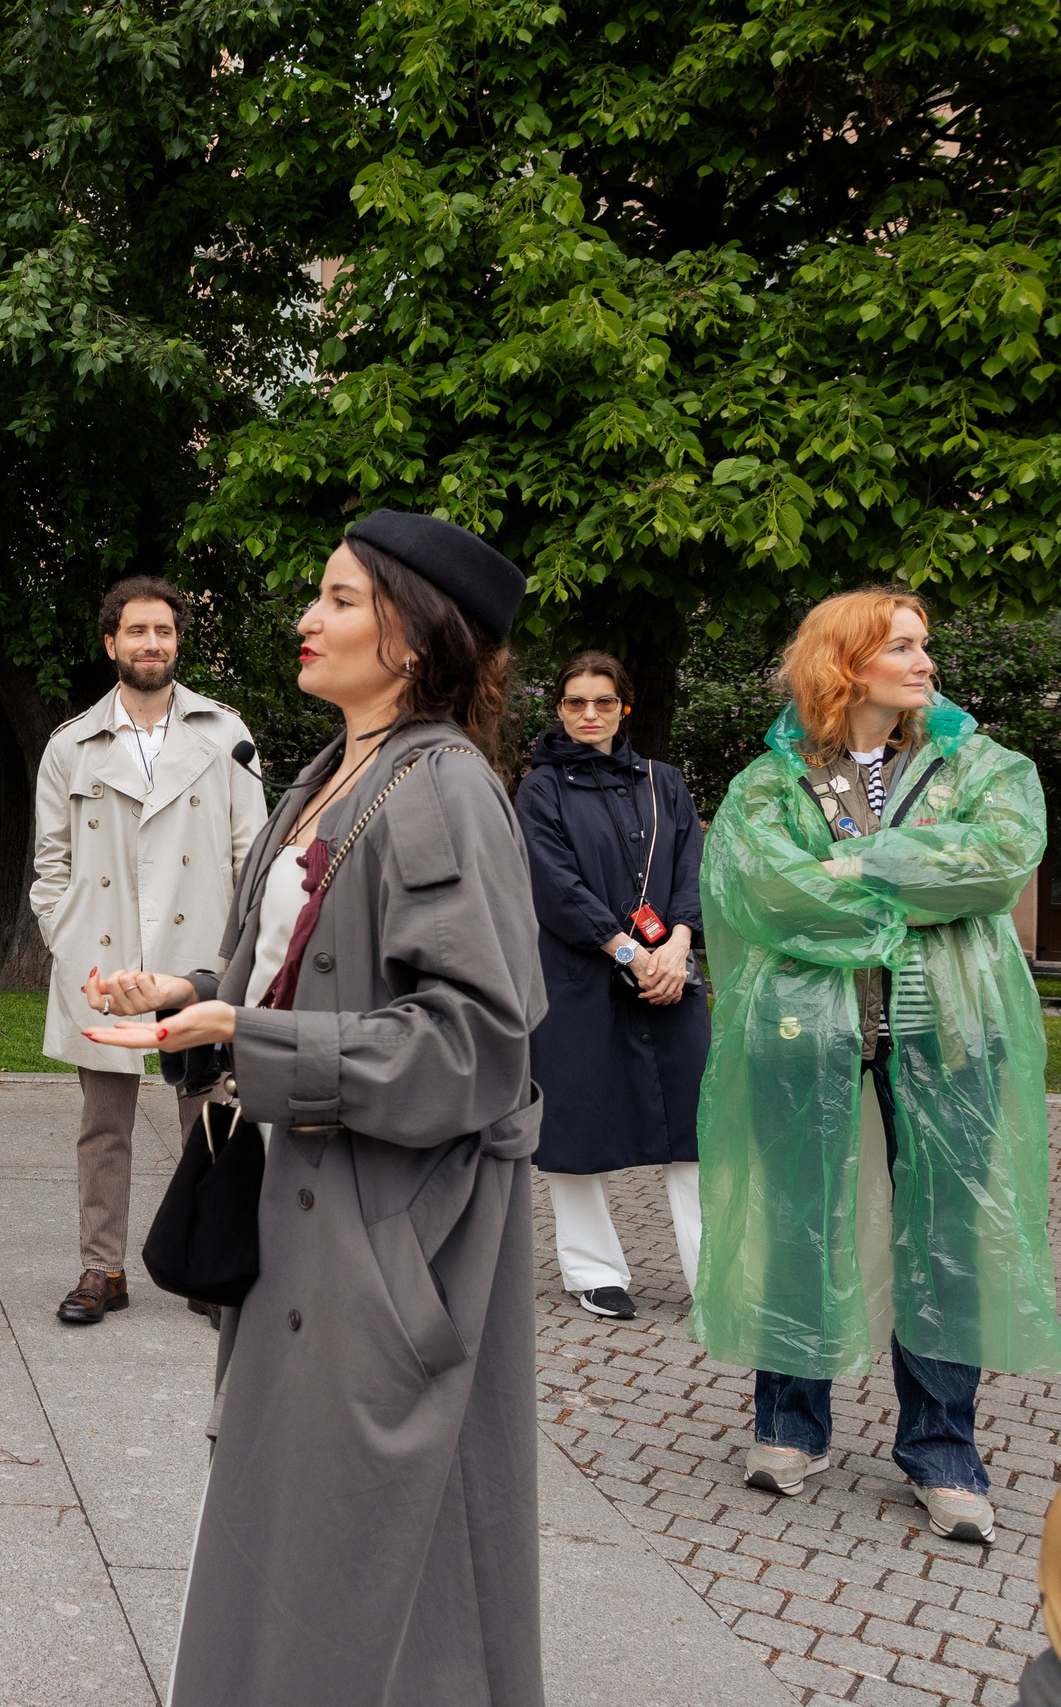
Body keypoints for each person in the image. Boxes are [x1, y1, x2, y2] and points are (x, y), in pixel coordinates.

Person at [83, 511, 546, 1706]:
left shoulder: (441, 789)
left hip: (388, 1233)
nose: (308, 619)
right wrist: (191, 998)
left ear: (412, 634)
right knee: (300, 1541)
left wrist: (248, 1034)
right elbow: (287, 976)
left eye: (339, 600)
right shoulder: (328, 777)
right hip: (315, 1219)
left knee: (387, 1567)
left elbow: (476, 1045)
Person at [693, 588, 1055, 1546]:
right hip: (806, 1039)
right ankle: (788, 1425)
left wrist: (849, 870)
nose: (926, 661)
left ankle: (943, 1448)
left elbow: (995, 858)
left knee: (948, 1240)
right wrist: (903, 875)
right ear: (845, 664)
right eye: (904, 645)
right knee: (794, 1220)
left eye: (923, 645)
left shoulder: (979, 762)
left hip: (947, 1034)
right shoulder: (767, 783)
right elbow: (764, 888)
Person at [30, 574, 265, 1326]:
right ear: (111, 643)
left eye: (163, 630)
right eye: (137, 631)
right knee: (103, 1128)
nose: (151, 643)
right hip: (103, 968)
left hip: (195, 968)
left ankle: (208, 1265)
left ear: (177, 639)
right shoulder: (70, 745)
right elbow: (50, 870)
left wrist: (231, 969)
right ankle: (102, 1268)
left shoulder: (227, 733)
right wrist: (71, 951)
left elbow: (250, 860)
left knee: (212, 1118)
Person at [516, 650, 709, 1320]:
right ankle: (593, 1269)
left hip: (672, 973)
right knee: (578, 1125)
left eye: (603, 701)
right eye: (576, 702)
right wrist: (629, 950)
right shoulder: (540, 789)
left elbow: (692, 866)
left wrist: (679, 943)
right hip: (578, 977)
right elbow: (553, 882)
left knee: (695, 1122)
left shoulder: (666, 782)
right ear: (560, 709)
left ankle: (713, 1273)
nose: (590, 714)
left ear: (625, 705)